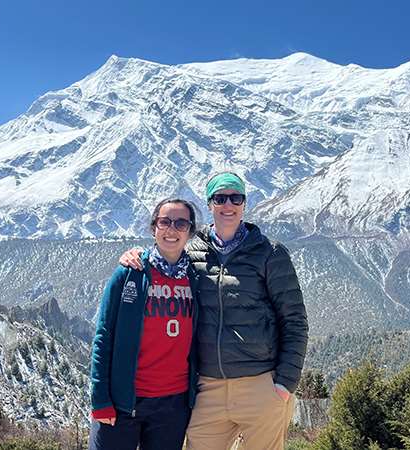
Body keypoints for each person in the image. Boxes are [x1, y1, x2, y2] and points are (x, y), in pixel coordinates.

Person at [120, 172, 309, 450]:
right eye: (220, 198)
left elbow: (294, 321)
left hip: (260, 384)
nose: (228, 205)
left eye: (236, 197)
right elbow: (164, 257)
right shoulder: (192, 251)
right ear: (209, 203)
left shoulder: (270, 253)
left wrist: (284, 384)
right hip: (207, 387)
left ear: (244, 203)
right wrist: (135, 256)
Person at [89, 198, 201, 450]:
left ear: (190, 232)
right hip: (124, 401)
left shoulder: (196, 278)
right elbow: (103, 336)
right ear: (153, 228)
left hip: (173, 404)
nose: (172, 229)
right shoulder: (130, 273)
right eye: (165, 222)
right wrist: (100, 399)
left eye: (181, 223)